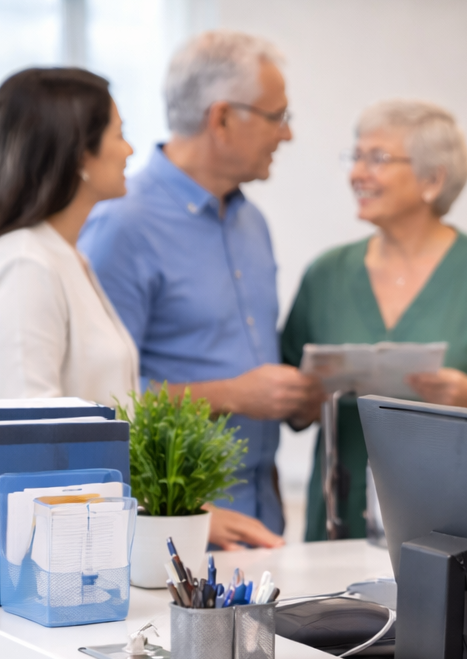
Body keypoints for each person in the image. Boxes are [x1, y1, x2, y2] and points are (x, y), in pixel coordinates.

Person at [280, 100, 467, 541]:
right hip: (340, 522)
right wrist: (302, 399)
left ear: (432, 180)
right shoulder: (327, 275)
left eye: (377, 158)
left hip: (460, 525)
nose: (357, 173)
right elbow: (288, 393)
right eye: (355, 157)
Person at [81, 30, 319, 549]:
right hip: (172, 529)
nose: (286, 134)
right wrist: (232, 395)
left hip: (260, 522)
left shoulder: (252, 222)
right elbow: (96, 399)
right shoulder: (122, 224)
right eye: (277, 116)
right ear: (223, 118)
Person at [0, 69, 138, 407]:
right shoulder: (24, 265)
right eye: (119, 135)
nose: (129, 150)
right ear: (80, 154)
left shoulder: (64, 255)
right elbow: (29, 425)